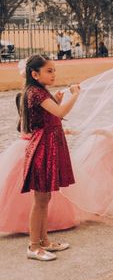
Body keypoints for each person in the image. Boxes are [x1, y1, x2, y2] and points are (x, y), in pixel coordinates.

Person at [18, 54, 80, 261]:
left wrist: (57, 100)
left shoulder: (39, 91)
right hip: (42, 148)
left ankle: (44, 241)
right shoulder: (35, 93)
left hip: (49, 146)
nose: (54, 74)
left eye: (54, 70)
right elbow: (61, 111)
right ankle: (33, 246)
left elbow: (54, 115)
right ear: (35, 74)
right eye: (49, 71)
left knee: (45, 197)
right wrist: (75, 95)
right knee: (40, 199)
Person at [0, 93, 77, 235]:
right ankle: (37, 230)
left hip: (27, 150)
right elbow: (43, 129)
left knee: (35, 194)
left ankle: (35, 225)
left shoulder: (25, 118)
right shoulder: (29, 119)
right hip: (32, 151)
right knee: (38, 192)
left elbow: (48, 122)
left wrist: (57, 104)